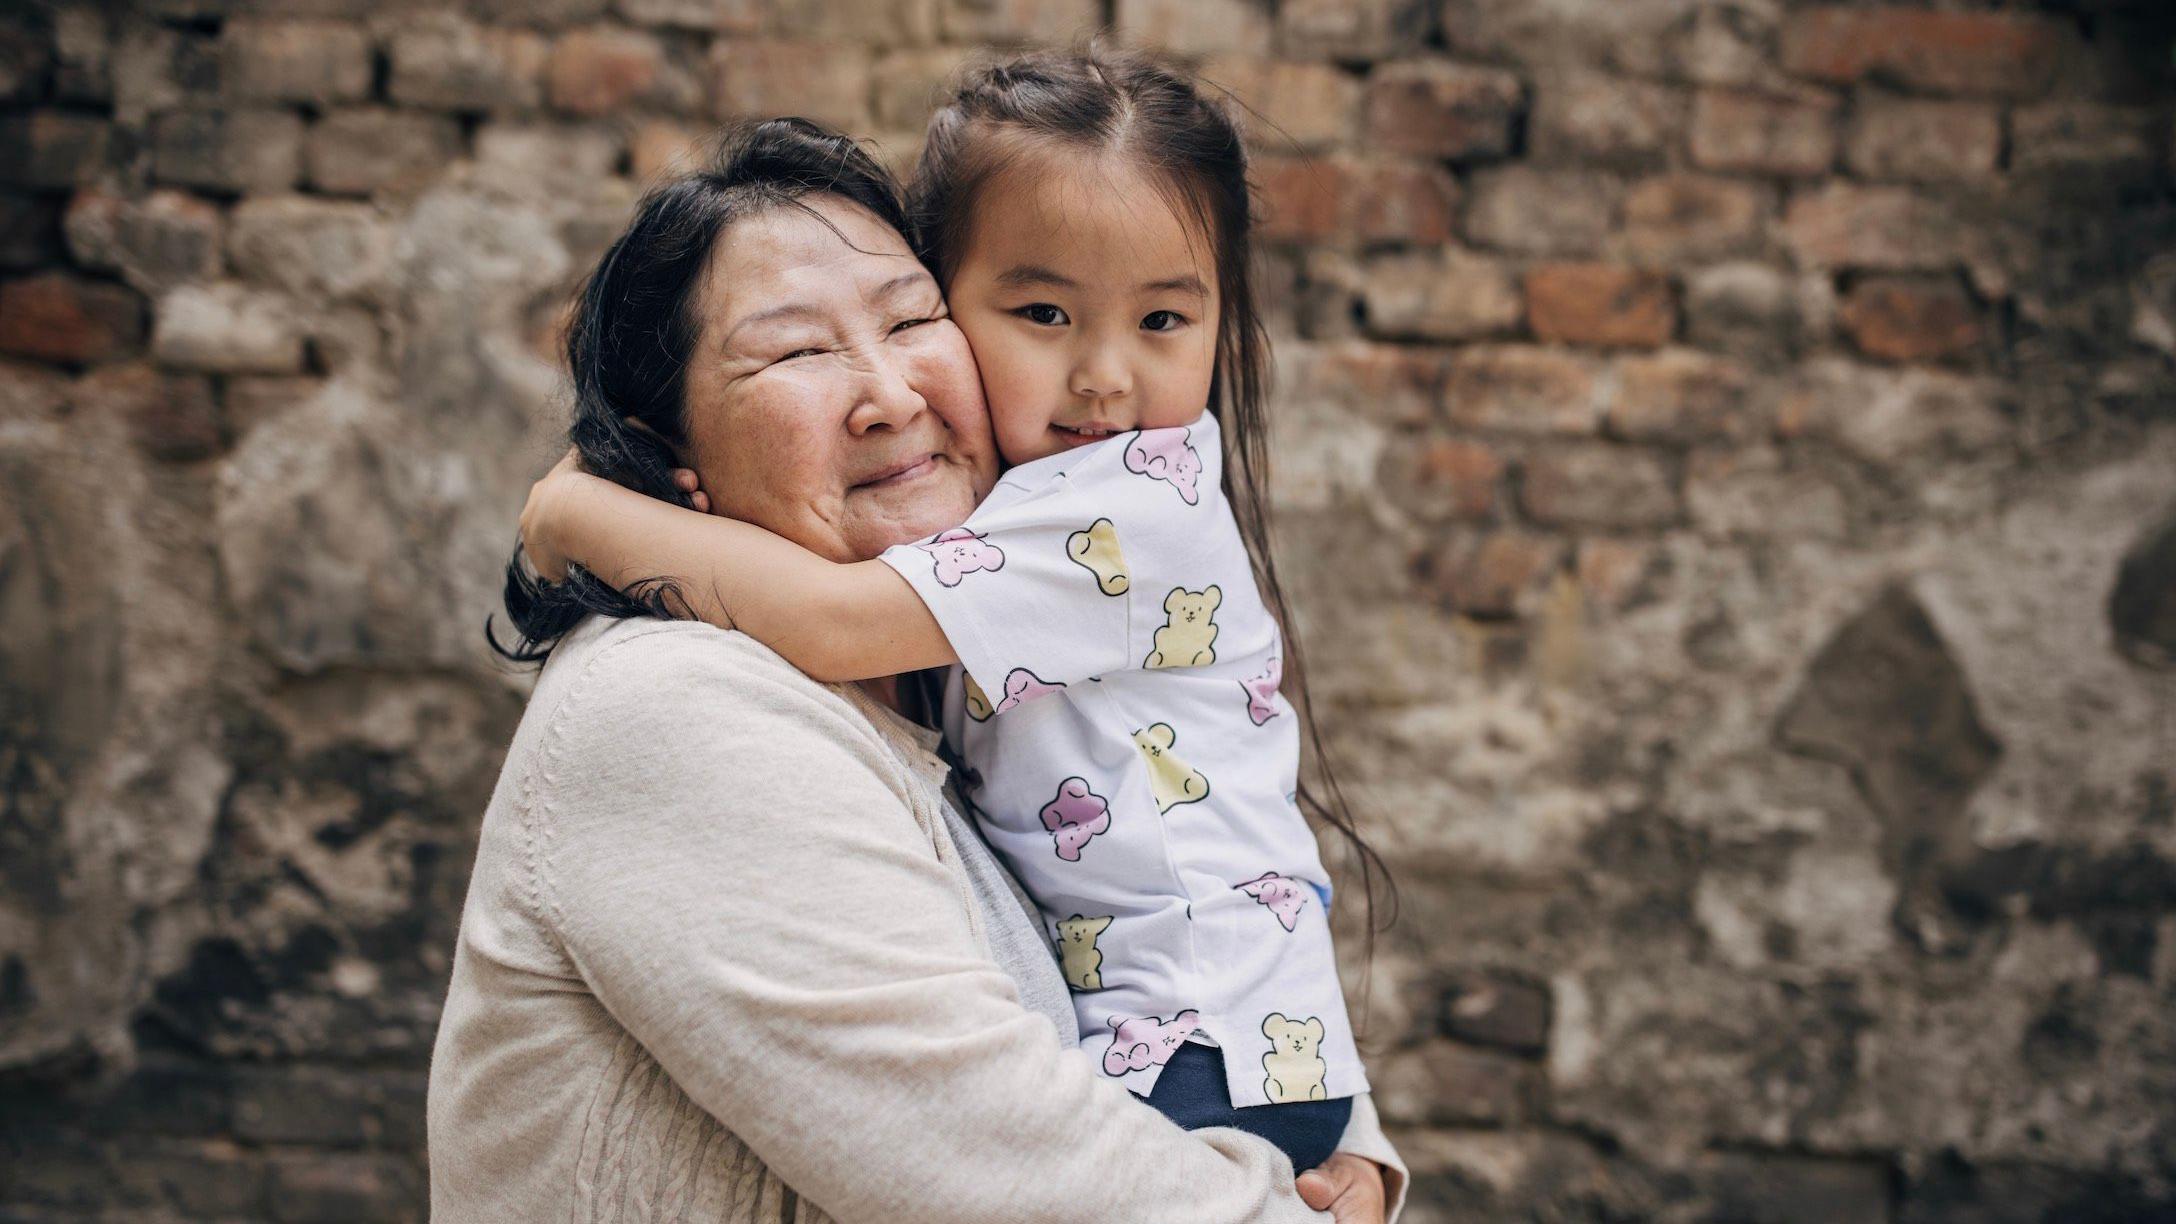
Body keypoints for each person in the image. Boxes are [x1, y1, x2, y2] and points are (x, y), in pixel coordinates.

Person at [430, 116, 1405, 1222]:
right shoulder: (678, 709)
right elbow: (1020, 1185)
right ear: (668, 448)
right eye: (796, 351)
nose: (891, 395)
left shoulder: (949, 693)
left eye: (910, 319)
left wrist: (1340, 1142)